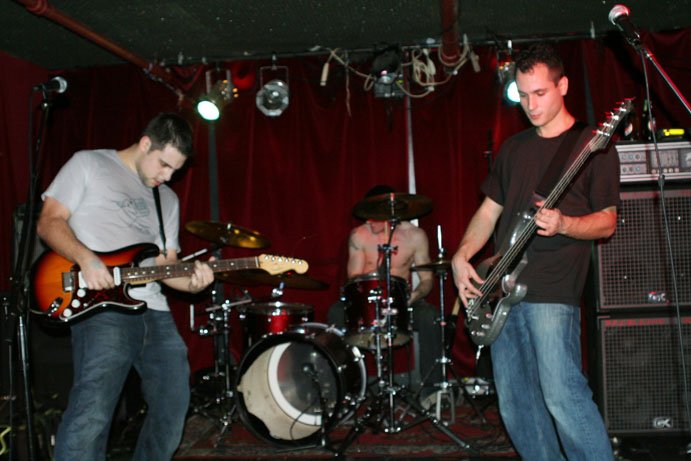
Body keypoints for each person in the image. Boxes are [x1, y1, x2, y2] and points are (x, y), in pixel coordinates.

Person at [451, 43, 618, 460]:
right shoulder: (513, 148)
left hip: (552, 289)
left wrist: (564, 224)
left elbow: (607, 222)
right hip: (501, 288)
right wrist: (461, 255)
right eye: (523, 95)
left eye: (540, 93)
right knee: (517, 406)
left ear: (563, 86)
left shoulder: (593, 146)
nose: (530, 105)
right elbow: (488, 211)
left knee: (562, 395)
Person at [36, 113, 215, 460]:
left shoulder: (167, 199)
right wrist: (86, 259)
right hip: (101, 306)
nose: (167, 176)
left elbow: (165, 266)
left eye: (175, 170)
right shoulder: (89, 164)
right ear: (145, 143)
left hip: (154, 310)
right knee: (93, 410)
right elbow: (49, 222)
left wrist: (194, 283)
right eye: (164, 165)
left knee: (173, 403)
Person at [328, 185, 442, 400]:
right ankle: (343, 392)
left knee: (429, 316)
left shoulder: (415, 236)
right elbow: (354, 278)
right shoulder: (359, 235)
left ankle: (432, 393)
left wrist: (413, 297)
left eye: (374, 216)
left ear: (390, 215)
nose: (369, 221)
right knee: (336, 312)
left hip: (402, 301)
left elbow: (427, 280)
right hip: (368, 300)